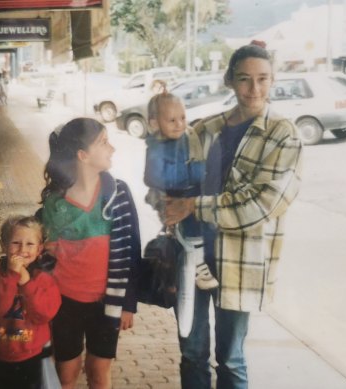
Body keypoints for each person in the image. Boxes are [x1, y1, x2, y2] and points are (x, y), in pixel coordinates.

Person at [163, 40, 303, 389]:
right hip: (192, 257)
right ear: (229, 79)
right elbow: (173, 187)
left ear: (273, 80)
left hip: (240, 263)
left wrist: (195, 205)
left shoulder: (283, 135)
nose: (254, 89)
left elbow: (262, 206)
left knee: (231, 359)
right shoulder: (205, 129)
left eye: (262, 79)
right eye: (244, 79)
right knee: (191, 354)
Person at [38, 118, 142, 389]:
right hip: (64, 302)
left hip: (106, 303)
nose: (113, 148)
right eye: (103, 142)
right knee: (67, 373)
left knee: (99, 371)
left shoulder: (118, 194)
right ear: (83, 156)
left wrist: (128, 303)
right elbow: (46, 258)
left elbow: (132, 250)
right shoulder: (55, 203)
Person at [143, 91, 219, 338]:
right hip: (174, 194)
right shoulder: (156, 145)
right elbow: (153, 177)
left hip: (188, 193)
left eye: (182, 118)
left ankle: (197, 263)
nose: (179, 124)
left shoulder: (187, 138)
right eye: (171, 120)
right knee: (191, 232)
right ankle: (199, 265)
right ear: (155, 123)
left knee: (198, 225)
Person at [0, 215, 62, 389]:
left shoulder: (44, 280)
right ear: (4, 245)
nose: (22, 249)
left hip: (31, 356)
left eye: (30, 244)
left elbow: (43, 315)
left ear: (39, 249)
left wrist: (26, 283)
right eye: (15, 242)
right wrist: (11, 277)